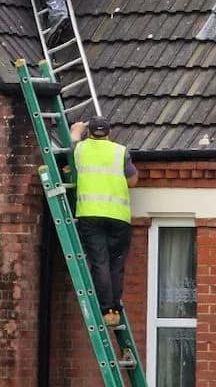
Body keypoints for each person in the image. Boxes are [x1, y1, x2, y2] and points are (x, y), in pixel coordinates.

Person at [70, 115, 138, 327]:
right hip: (119, 217)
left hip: (90, 214)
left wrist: (76, 130)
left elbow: (69, 145)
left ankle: (106, 308)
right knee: (116, 264)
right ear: (108, 133)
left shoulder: (81, 149)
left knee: (100, 262)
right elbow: (133, 181)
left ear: (90, 132)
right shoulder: (120, 151)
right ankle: (115, 310)